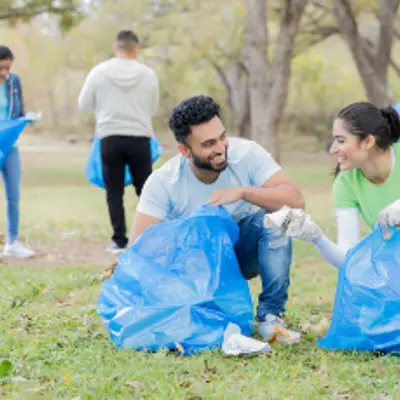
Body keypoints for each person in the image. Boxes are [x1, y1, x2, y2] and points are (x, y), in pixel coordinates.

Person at [129, 95, 305, 343]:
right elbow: (138, 249)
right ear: (184, 150)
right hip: (196, 266)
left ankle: (270, 317)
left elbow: (295, 200)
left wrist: (244, 192)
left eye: (222, 137)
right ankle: (204, 311)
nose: (220, 148)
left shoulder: (247, 155)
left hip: (242, 254)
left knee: (277, 219)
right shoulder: (164, 182)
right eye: (208, 144)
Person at [273, 102, 400, 267]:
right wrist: (316, 237)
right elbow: (348, 260)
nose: (333, 149)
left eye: (341, 141)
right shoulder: (346, 183)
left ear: (368, 141)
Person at [78, 30, 159, 254]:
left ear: (116, 48)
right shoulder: (148, 75)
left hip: (110, 136)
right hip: (139, 137)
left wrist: (105, 108)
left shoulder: (99, 72)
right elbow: (153, 107)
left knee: (114, 191)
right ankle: (150, 236)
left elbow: (84, 103)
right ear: (136, 48)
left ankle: (119, 240)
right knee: (146, 190)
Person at [0, 45, 35, 258]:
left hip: (10, 145)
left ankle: (12, 241)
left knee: (13, 194)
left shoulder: (14, 81)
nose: (4, 73)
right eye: (1, 68)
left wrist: (26, 118)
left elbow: (18, 110)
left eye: (7, 68)